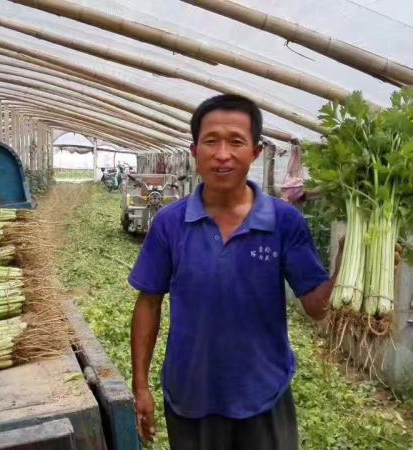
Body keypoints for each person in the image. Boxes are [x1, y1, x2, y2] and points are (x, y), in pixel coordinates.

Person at [128, 94, 338, 450]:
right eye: (211, 141)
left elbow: (317, 308)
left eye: (236, 141)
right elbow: (148, 304)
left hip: (264, 394)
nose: (222, 154)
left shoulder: (285, 221)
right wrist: (141, 386)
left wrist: (349, 268)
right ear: (195, 151)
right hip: (190, 395)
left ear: (255, 152)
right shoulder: (170, 223)